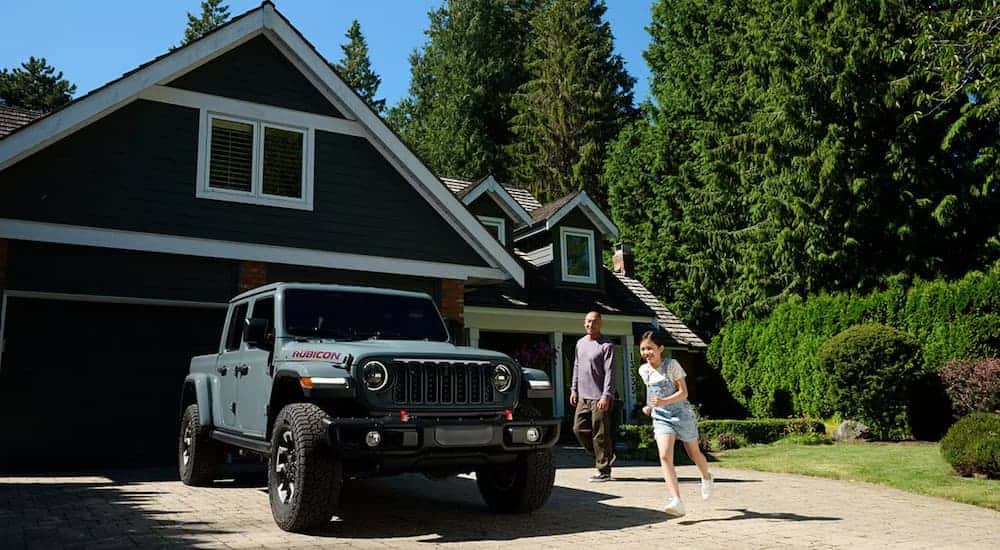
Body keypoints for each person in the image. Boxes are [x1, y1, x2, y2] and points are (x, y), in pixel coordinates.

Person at [638, 329, 713, 517]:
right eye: (643, 349)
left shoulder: (672, 365)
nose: (646, 353)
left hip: (682, 414)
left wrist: (663, 401)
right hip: (661, 417)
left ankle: (706, 476)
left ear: (660, 348)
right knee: (664, 455)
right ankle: (676, 500)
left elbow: (684, 393)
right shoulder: (644, 370)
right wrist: (648, 406)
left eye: (650, 348)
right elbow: (651, 394)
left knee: (693, 453)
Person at [571, 311, 617, 482]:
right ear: (584, 323)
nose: (591, 325)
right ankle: (605, 455)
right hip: (583, 396)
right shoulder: (580, 343)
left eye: (594, 322)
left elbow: (610, 373)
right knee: (578, 428)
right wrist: (574, 389)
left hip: (599, 397)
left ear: (600, 324)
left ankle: (604, 470)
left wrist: (606, 395)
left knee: (600, 434)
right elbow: (577, 366)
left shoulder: (606, 345)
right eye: (588, 322)